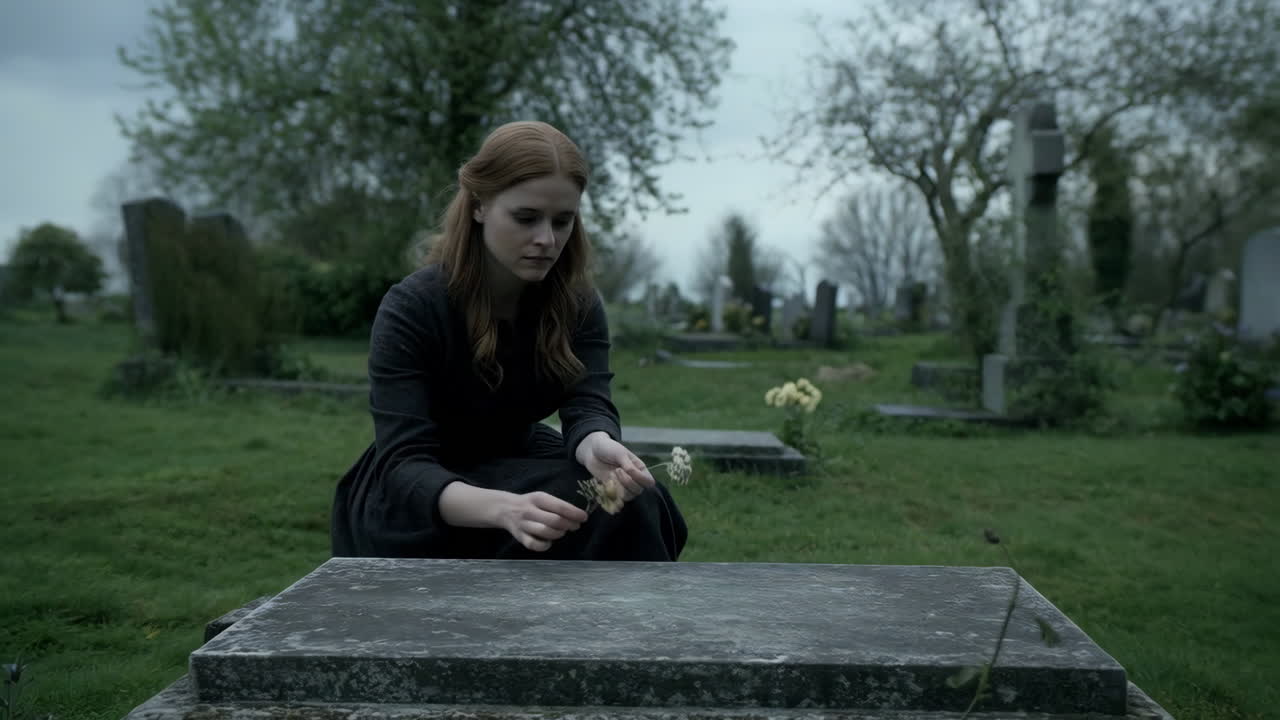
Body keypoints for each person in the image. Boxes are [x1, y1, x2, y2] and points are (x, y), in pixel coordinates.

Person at [330, 121, 688, 561]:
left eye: (563, 221)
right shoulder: (414, 308)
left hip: (520, 463)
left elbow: (587, 404)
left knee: (634, 502)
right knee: (581, 511)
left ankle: (626, 628)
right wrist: (502, 508)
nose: (547, 239)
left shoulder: (577, 303)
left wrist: (597, 442)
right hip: (425, 496)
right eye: (526, 218)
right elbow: (404, 463)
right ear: (479, 206)